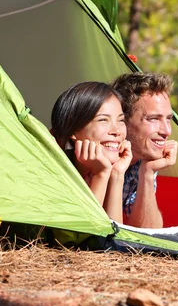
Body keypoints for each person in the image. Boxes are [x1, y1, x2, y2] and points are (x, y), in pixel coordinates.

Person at [51, 81, 132, 223]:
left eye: (121, 120)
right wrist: (100, 175)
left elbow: (114, 239)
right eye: (103, 120)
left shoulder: (107, 170)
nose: (117, 131)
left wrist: (117, 175)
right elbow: (81, 238)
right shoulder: (56, 176)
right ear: (74, 129)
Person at [111, 73, 178, 229]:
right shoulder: (97, 155)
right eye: (154, 119)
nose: (167, 131)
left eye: (168, 119)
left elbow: (149, 232)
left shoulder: (142, 159)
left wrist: (147, 172)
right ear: (123, 121)